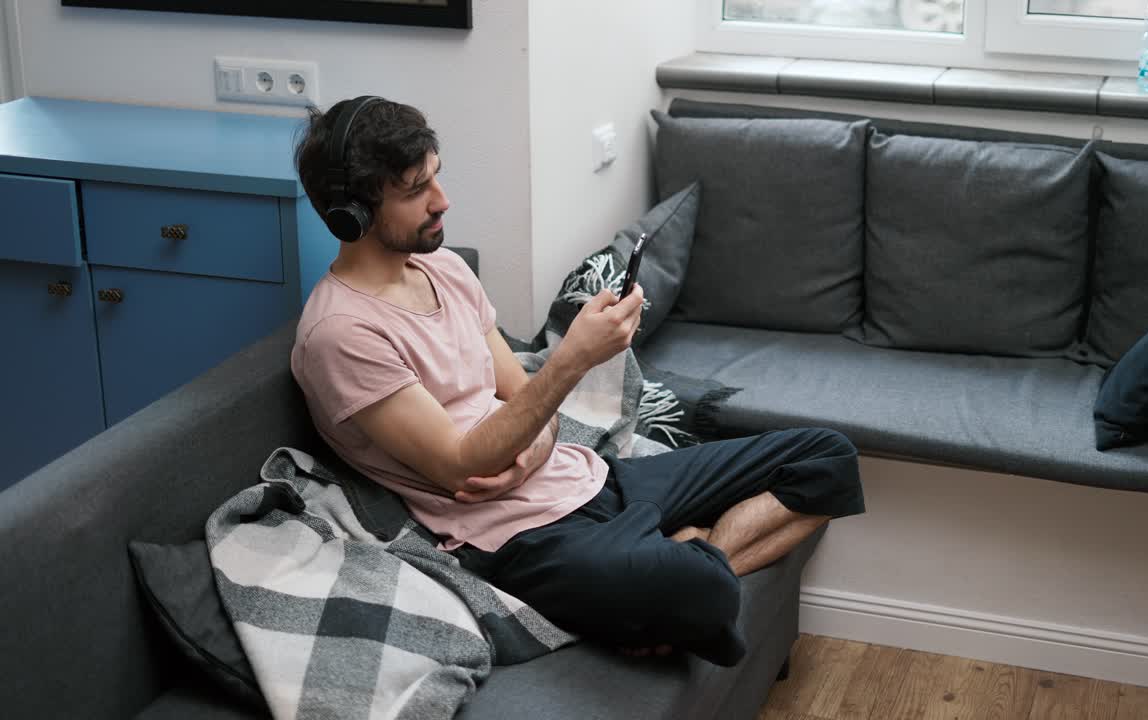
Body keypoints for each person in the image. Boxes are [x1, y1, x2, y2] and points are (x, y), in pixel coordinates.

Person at [290, 96, 866, 666]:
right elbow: (461, 466)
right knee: (705, 591)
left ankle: (686, 551)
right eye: (417, 191)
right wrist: (573, 358)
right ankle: (674, 568)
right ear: (354, 213)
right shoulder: (342, 334)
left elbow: (519, 398)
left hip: (589, 479)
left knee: (827, 457)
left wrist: (529, 451)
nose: (444, 201)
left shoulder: (445, 268)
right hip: (522, 539)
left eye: (436, 178)